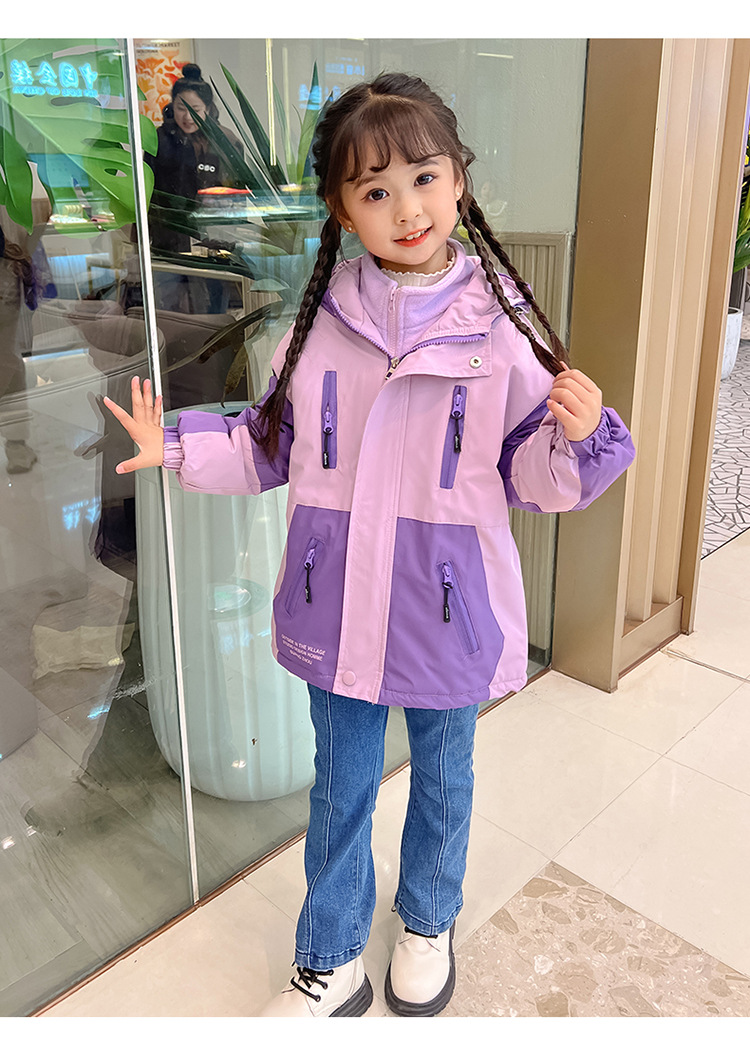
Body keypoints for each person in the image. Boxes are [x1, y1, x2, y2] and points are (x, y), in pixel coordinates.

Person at [103, 73, 635, 1018]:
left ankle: (427, 920)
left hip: (448, 607)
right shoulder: (316, 330)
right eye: (376, 190)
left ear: (459, 180)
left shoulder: (501, 330)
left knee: (443, 778)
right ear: (343, 211)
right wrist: (177, 447)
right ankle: (332, 957)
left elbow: (534, 479)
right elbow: (267, 446)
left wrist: (582, 434)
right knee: (341, 786)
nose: (407, 208)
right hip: (336, 602)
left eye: (424, 177)